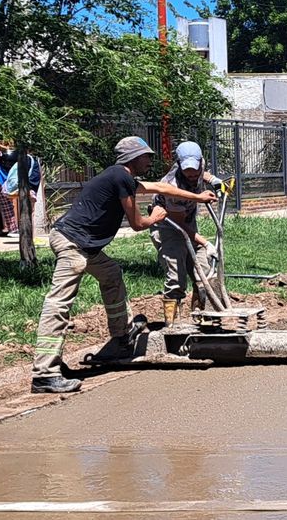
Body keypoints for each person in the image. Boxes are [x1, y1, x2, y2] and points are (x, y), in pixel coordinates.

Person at [31, 137, 216, 395]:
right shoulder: (121, 177)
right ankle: (44, 373)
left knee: (112, 275)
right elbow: (138, 223)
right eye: (146, 156)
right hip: (73, 244)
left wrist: (197, 196)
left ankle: (122, 337)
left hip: (88, 247)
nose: (150, 161)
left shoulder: (122, 177)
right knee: (59, 304)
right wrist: (155, 217)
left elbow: (161, 189)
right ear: (134, 158)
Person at [149, 140, 226, 326]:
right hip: (168, 227)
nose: (191, 174)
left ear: (200, 161)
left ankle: (198, 320)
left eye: (195, 169)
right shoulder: (171, 187)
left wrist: (212, 180)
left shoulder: (199, 166)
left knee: (204, 275)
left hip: (188, 223)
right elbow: (180, 226)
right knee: (176, 278)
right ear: (179, 165)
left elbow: (201, 174)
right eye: (186, 170)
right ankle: (171, 327)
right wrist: (206, 243)